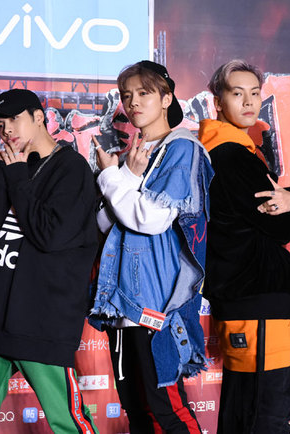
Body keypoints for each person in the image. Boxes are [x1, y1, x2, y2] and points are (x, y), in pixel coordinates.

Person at [0, 89, 99, 434]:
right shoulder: (10, 169)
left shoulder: (71, 168)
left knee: (67, 424)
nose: (7, 131)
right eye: (0, 125)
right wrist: (5, 174)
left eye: (14, 119)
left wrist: (17, 176)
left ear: (39, 117)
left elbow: (50, 235)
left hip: (41, 320)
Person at [88, 61, 214, 433]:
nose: (134, 102)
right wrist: (126, 175)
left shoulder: (181, 148)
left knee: (167, 409)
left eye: (144, 93)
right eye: (127, 95)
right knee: (137, 410)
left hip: (156, 303)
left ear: (166, 98)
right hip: (121, 300)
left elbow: (151, 219)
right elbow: (104, 224)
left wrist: (111, 177)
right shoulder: (136, 153)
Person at [197, 59, 290, 434]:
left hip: (248, 297)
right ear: (217, 101)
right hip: (255, 299)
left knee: (244, 409)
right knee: (265, 413)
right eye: (236, 93)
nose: (248, 102)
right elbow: (279, 227)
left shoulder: (230, 150)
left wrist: (289, 201)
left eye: (254, 93)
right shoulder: (231, 156)